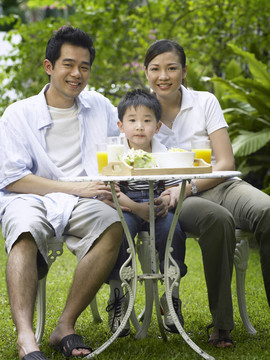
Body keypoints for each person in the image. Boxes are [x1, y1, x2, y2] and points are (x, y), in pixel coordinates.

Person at [0, 26, 124, 360]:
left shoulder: (101, 107)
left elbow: (122, 153)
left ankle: (64, 326)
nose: (76, 74)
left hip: (84, 200)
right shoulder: (18, 114)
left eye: (84, 66)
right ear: (48, 66)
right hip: (29, 197)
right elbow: (13, 180)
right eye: (68, 64)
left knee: (113, 224)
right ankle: (27, 338)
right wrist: (75, 187)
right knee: (24, 231)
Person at [143, 39, 270, 348]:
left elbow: (226, 162)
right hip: (176, 198)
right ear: (146, 73)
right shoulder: (139, 110)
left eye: (171, 68)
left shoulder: (204, 101)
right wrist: (178, 191)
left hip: (219, 184)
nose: (164, 76)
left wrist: (192, 184)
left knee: (267, 210)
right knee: (218, 219)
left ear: (184, 71)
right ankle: (222, 325)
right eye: (155, 69)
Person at [106, 89, 187, 336]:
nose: (139, 127)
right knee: (118, 232)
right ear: (121, 125)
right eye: (132, 120)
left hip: (157, 208)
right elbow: (112, 191)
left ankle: (171, 294)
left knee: (174, 230)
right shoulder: (116, 153)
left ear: (158, 125)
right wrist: (137, 207)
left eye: (147, 120)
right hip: (128, 206)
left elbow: (174, 186)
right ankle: (117, 295)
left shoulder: (165, 154)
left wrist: (166, 199)